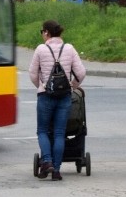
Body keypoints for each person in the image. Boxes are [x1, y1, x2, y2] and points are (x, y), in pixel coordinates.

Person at [29, 19, 86, 181]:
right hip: (64, 97)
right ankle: (57, 170)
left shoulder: (41, 49)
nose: (42, 35)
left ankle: (46, 161)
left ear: (46, 32)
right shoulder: (69, 48)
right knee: (60, 133)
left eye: (42, 32)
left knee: (43, 130)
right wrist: (72, 86)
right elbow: (81, 73)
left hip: (45, 96)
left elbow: (32, 73)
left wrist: (41, 86)